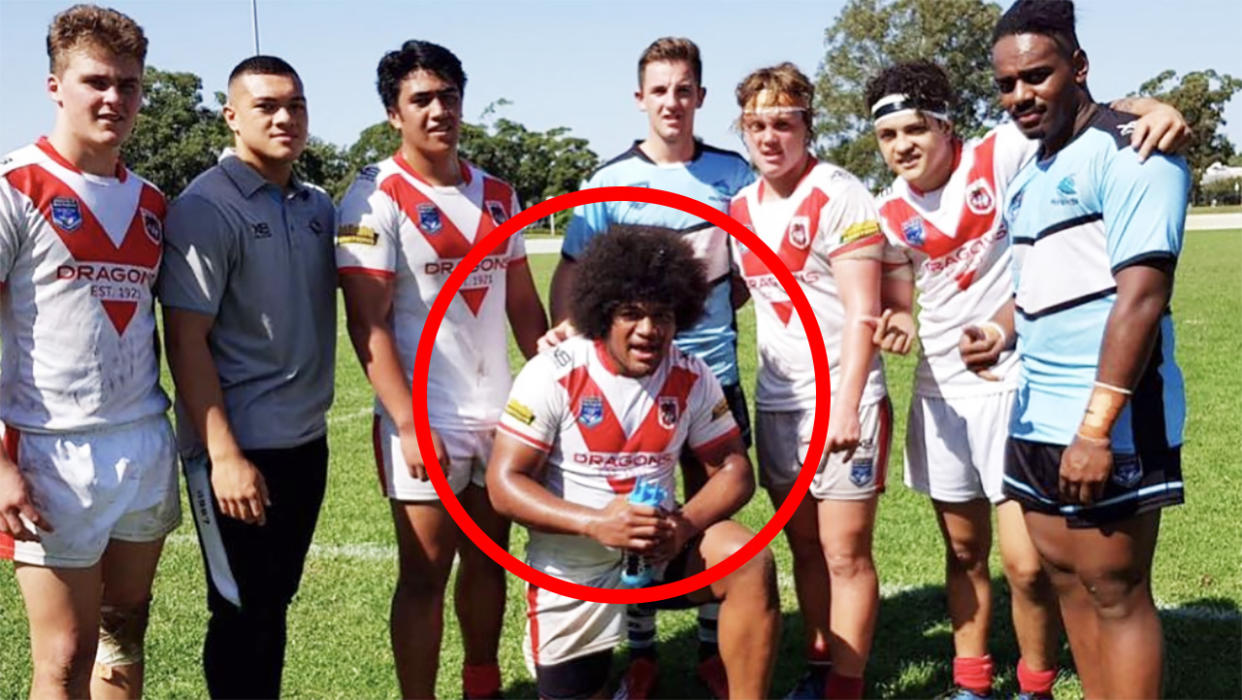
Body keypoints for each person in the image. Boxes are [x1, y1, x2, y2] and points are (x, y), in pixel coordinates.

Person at [864, 60, 1189, 699]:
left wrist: (1154, 106)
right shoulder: (888, 210)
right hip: (943, 391)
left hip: (1017, 382)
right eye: (888, 135)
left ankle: (1035, 682)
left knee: (1027, 564)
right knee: (963, 553)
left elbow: (1080, 106)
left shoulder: (1000, 152)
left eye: (915, 129)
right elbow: (901, 293)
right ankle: (971, 681)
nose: (902, 145)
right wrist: (899, 318)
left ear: (946, 125)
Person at [962, 1, 1190, 697]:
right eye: (1006, 84)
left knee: (1115, 593)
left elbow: (1141, 296)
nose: (1020, 96)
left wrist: (1095, 427)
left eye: (1037, 75)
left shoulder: (1137, 147)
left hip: (1108, 421)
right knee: (1066, 581)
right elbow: (1041, 282)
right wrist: (1000, 330)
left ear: (1079, 68)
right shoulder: (1032, 168)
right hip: (1034, 411)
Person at [542, 36, 755, 698]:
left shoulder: (733, 174)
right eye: (659, 89)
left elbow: (745, 277)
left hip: (711, 377)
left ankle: (715, 653)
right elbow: (574, 275)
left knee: (708, 522)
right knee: (639, 516)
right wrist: (573, 348)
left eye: (683, 88)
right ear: (641, 99)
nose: (672, 101)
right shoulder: (608, 182)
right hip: (634, 387)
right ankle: (640, 654)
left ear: (700, 97)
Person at [336, 40, 548, 699]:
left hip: (498, 414)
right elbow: (366, 323)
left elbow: (521, 304)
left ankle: (481, 684)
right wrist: (407, 423)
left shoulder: (499, 194)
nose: (438, 110)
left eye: (448, 96)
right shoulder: (372, 199)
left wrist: (556, 387)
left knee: (491, 560)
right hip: (422, 417)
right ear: (393, 113)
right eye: (420, 99)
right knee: (425, 573)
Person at [489, 226, 779, 700]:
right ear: (603, 314)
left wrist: (682, 526)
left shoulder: (690, 373)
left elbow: (735, 471)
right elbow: (504, 483)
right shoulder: (554, 372)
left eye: (662, 315)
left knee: (748, 559)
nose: (649, 330)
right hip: (571, 569)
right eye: (631, 314)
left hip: (659, 553)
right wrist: (594, 523)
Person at [0, 6, 177, 699]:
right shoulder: (17, 188)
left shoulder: (154, 201)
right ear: (54, 87)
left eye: (129, 85)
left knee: (122, 635)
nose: (114, 99)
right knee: (64, 656)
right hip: (50, 455)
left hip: (141, 441)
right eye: (96, 81)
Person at [159, 55, 337, 698]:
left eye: (296, 104)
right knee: (240, 612)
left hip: (304, 441)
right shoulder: (206, 207)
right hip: (237, 451)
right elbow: (185, 338)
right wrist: (224, 454)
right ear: (232, 116)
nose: (285, 117)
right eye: (266, 106)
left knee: (272, 604)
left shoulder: (316, 204)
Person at [728, 63, 891, 700]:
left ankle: (845, 688)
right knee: (804, 549)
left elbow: (863, 312)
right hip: (779, 401)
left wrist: (847, 406)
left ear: (806, 125)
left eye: (783, 123)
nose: (770, 137)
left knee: (845, 551)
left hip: (843, 399)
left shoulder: (840, 192)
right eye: (756, 124)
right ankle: (821, 665)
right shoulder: (741, 206)